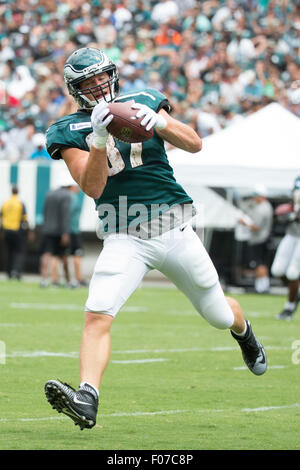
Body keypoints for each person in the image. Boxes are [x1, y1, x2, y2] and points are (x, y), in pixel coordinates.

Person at [44, 47, 267, 431]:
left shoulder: (144, 99)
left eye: (102, 77)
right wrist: (98, 139)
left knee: (217, 314)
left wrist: (160, 124)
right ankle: (87, 397)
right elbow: (93, 186)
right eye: (89, 82)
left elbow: (195, 143)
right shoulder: (66, 129)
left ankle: (244, 333)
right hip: (122, 234)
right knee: (97, 313)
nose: (98, 86)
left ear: (111, 74)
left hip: (174, 227)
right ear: (75, 89)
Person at [271, 176, 300, 320]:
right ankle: (296, 291)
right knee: (277, 270)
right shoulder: (297, 180)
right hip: (291, 234)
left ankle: (289, 307)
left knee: (293, 273)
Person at [238, 185, 274, 293]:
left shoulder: (262, 209)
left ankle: (260, 288)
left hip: (259, 239)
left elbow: (256, 227)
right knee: (261, 263)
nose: (253, 198)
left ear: (261, 196)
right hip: (261, 238)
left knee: (259, 264)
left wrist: (244, 223)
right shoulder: (264, 206)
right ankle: (263, 286)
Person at [39, 176, 73, 287]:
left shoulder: (49, 194)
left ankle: (43, 280)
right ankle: (68, 281)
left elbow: (44, 211)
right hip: (60, 231)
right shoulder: (67, 195)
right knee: (64, 257)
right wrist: (65, 232)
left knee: (46, 254)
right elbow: (65, 215)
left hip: (47, 229)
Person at [0, 185, 30, 279]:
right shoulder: (20, 203)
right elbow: (25, 219)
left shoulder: (6, 203)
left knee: (7, 252)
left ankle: (8, 272)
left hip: (6, 231)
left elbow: (1, 217)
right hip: (17, 231)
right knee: (19, 252)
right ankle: (16, 271)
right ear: (18, 192)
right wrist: (29, 231)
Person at [68, 183, 87, 288]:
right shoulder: (73, 198)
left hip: (70, 230)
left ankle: (74, 278)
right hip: (73, 231)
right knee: (77, 254)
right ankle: (78, 278)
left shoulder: (68, 197)